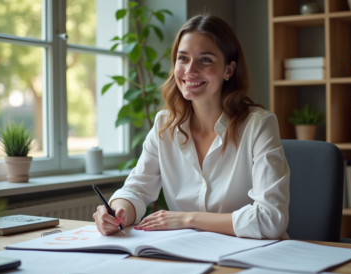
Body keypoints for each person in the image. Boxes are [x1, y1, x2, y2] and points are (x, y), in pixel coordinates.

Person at [93, 14, 290, 239]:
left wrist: (187, 218)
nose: (190, 69)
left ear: (229, 69)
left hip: (250, 257)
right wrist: (118, 211)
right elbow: (135, 189)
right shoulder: (164, 125)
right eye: (183, 58)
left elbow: (272, 219)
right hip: (188, 253)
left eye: (205, 59)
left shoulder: (259, 125)